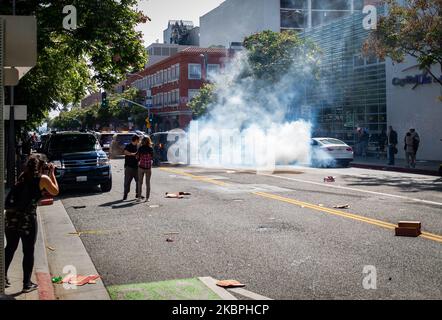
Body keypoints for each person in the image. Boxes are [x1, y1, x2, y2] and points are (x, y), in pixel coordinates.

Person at [4, 155, 59, 293]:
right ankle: (26, 284)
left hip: (11, 216)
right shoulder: (43, 179)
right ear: (41, 166)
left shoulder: (23, 176)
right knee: (28, 250)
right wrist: (51, 173)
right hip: (27, 218)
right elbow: (55, 191)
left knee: (10, 247)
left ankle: (2, 277)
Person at [123, 135, 141, 201]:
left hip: (136, 167)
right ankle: (125, 195)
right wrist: (133, 154)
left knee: (139, 181)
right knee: (127, 182)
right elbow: (125, 152)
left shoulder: (138, 147)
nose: (139, 141)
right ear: (136, 140)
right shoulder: (128, 145)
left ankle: (138, 194)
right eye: (138, 140)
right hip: (129, 167)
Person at [136, 136, 154, 202]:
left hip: (141, 167)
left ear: (142, 141)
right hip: (148, 168)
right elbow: (152, 157)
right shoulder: (150, 148)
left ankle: (139, 198)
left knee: (140, 183)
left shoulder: (140, 148)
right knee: (148, 183)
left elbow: (137, 157)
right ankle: (147, 198)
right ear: (149, 141)